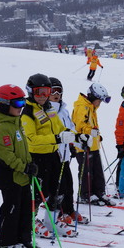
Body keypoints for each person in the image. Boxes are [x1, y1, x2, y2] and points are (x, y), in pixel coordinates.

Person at [21, 73, 86, 238]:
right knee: (37, 192)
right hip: (36, 157)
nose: (43, 96)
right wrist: (57, 138)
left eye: (46, 92)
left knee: (56, 190)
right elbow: (32, 140)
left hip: (52, 155)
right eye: (39, 92)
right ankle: (29, 221)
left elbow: (59, 127)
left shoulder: (48, 108)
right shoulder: (28, 112)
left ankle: (51, 220)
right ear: (30, 91)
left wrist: (76, 136)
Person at [0, 84, 48, 248]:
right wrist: (24, 167)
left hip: (22, 176)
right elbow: (6, 155)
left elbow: (24, 148)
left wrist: (31, 164)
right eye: (16, 103)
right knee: (12, 210)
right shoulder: (3, 128)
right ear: (2, 104)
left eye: (22, 102)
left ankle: (23, 240)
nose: (21, 107)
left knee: (25, 210)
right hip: (10, 177)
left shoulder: (17, 124)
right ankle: (6, 243)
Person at [49, 77, 86, 225]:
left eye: (59, 90)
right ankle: (58, 212)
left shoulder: (63, 110)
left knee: (68, 184)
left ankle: (69, 209)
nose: (56, 94)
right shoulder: (48, 111)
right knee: (58, 186)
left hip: (65, 155)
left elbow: (70, 128)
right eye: (53, 91)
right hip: (54, 155)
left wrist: (74, 143)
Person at [72, 82, 115, 206]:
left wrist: (96, 136)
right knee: (86, 171)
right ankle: (85, 194)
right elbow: (79, 126)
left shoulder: (91, 107)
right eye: (99, 101)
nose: (99, 104)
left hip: (93, 145)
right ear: (93, 97)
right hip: (83, 145)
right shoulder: (82, 107)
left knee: (97, 170)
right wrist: (91, 132)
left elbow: (90, 125)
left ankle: (99, 191)